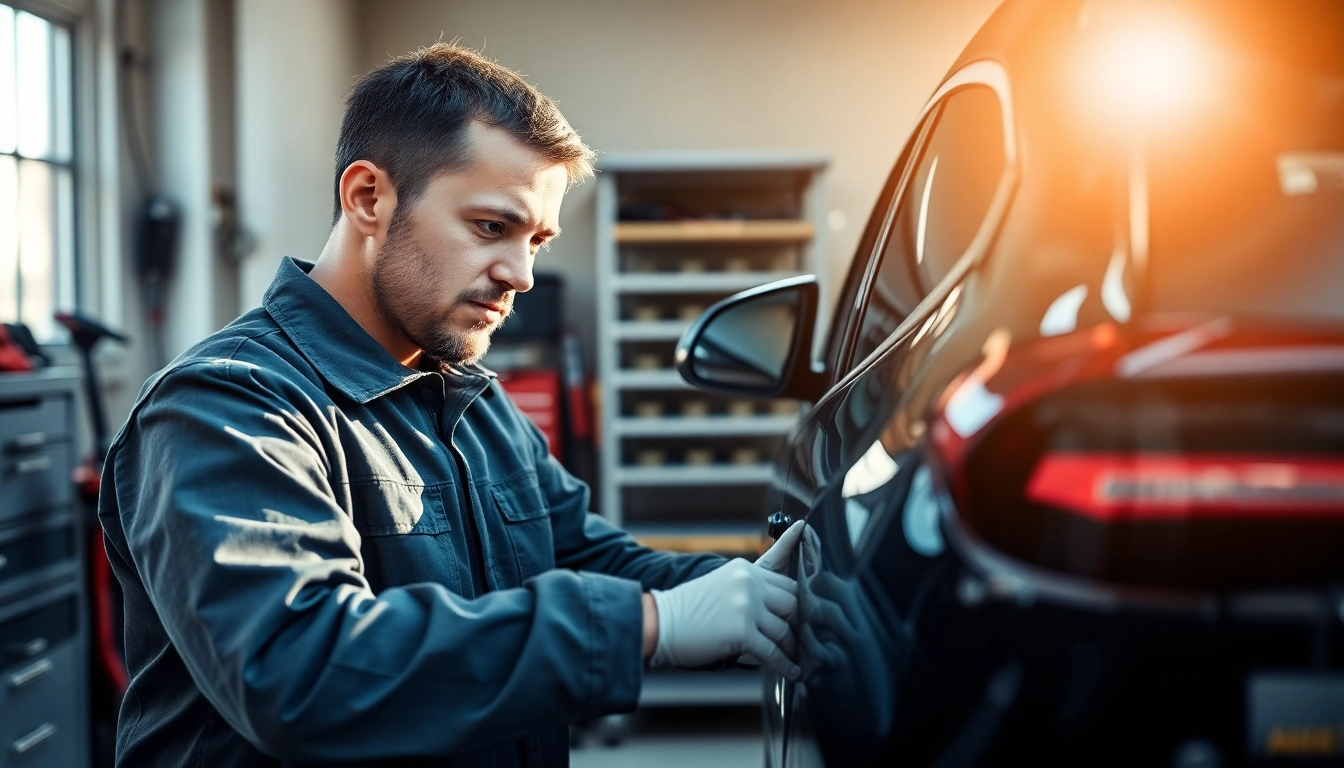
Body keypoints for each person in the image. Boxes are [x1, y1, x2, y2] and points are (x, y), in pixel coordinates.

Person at [97, 44, 804, 768]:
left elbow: (586, 556)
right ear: (368, 198)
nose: (522, 275)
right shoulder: (226, 405)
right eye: (492, 227)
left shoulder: (474, 401)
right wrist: (649, 625)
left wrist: (767, 593)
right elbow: (301, 670)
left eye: (538, 241)